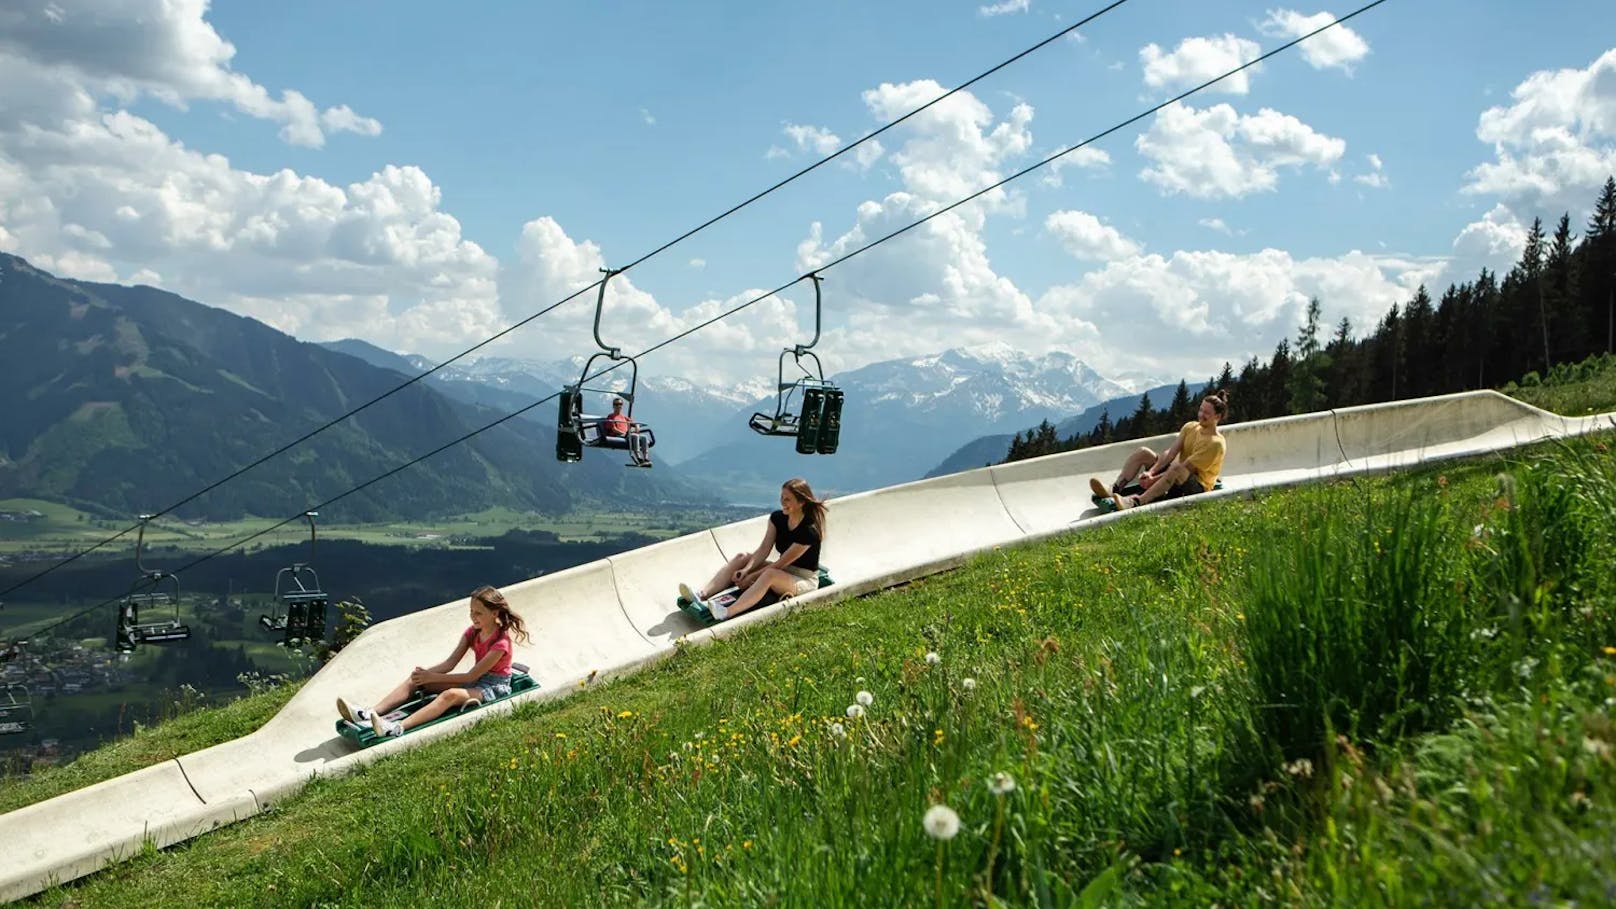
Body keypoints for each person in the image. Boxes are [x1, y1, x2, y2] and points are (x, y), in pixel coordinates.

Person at [336, 585, 531, 738]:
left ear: (494, 613)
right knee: (416, 680)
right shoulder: (473, 632)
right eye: (471, 611)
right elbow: (450, 663)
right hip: (475, 681)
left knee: (450, 694)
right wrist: (424, 676)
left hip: (491, 686)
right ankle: (367, 713)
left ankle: (395, 728)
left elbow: (472, 675)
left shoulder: (500, 643)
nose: (473, 617)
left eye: (478, 613)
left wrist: (432, 677)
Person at [679, 478, 827, 620]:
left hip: (803, 579)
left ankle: (726, 612)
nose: (782, 502)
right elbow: (764, 549)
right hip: (783, 571)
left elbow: (780, 563)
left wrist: (752, 577)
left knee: (770, 574)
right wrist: (746, 570)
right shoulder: (778, 518)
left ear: (801, 502)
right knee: (742, 557)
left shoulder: (809, 531)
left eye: (787, 499)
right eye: (782, 497)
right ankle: (701, 595)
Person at [1090, 389, 1230, 511]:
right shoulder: (1191, 427)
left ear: (1217, 416)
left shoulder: (1215, 443)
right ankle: (1114, 488)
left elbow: (1187, 467)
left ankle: (1135, 502)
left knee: (1176, 468)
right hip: (1178, 474)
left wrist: (1155, 479)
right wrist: (1151, 472)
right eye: (1201, 410)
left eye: (1207, 413)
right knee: (1143, 452)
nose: (1201, 415)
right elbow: (1170, 453)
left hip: (1198, 487)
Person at [601, 397, 651, 466]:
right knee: (635, 436)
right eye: (616, 404)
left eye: (620, 404)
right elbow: (614, 429)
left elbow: (635, 423)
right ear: (613, 406)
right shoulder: (611, 416)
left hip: (627, 435)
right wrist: (624, 433)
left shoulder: (624, 417)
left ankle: (645, 458)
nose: (619, 406)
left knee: (644, 437)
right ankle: (639, 458)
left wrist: (637, 427)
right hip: (618, 435)